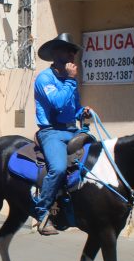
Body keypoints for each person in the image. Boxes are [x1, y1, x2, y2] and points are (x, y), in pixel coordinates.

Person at [31, 32, 92, 236]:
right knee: (57, 169)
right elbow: (57, 103)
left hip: (72, 129)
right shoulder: (45, 78)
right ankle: (42, 213)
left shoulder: (69, 80)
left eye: (74, 52)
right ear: (56, 54)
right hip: (52, 132)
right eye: (68, 51)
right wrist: (71, 81)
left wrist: (82, 112)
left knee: (96, 157)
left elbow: (73, 107)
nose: (73, 56)